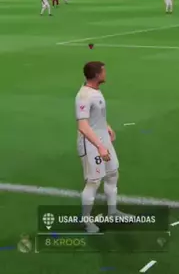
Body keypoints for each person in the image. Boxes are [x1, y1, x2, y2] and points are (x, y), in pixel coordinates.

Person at [76, 61, 129, 233]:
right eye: (104, 71)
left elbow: (96, 116)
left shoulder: (95, 91)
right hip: (91, 144)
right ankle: (86, 221)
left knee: (112, 173)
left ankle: (113, 212)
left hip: (103, 140)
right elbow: (83, 126)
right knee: (93, 182)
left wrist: (107, 126)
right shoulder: (84, 96)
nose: (106, 74)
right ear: (97, 75)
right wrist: (99, 146)